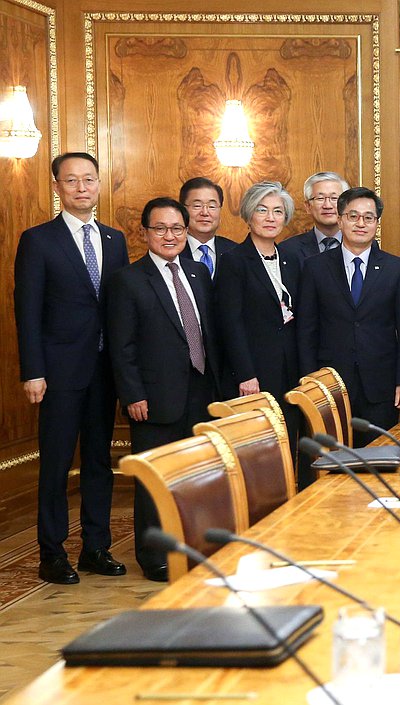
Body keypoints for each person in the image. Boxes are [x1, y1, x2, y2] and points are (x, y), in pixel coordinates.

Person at [14, 152, 129, 585]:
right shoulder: (38, 239)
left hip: (105, 372)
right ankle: (53, 552)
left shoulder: (115, 240)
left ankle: (95, 548)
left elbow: (119, 309)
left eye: (89, 179)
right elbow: (27, 311)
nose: (82, 188)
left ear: (99, 184)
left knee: (100, 462)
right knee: (57, 464)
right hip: (58, 373)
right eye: (72, 181)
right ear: (58, 187)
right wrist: (33, 371)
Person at [107, 197, 221, 581]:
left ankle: (191, 547)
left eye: (177, 229)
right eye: (160, 228)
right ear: (145, 233)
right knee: (155, 479)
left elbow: (207, 334)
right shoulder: (128, 280)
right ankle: (154, 555)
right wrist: (132, 394)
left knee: (195, 477)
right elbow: (121, 346)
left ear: (186, 232)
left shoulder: (197, 273)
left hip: (200, 390)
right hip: (153, 398)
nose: (169, 236)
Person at [299, 187, 400, 445]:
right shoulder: (315, 267)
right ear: (340, 220)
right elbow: (307, 330)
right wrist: (309, 382)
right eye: (353, 216)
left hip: (381, 386)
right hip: (329, 384)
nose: (361, 223)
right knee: (330, 460)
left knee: (378, 459)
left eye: (368, 217)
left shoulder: (396, 268)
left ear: (376, 223)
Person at [214, 182, 305, 480]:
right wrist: (245, 374)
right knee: (257, 450)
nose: (270, 217)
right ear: (249, 215)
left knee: (287, 442)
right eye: (262, 210)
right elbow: (230, 322)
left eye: (277, 211)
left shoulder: (292, 259)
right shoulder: (234, 261)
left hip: (290, 372)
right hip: (253, 373)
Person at [278, 172, 348, 264]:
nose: (327, 205)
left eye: (334, 198)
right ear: (308, 207)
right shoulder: (288, 249)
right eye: (320, 198)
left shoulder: (362, 245)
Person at [177, 176, 237, 279]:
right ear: (183, 210)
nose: (205, 212)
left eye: (212, 206)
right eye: (197, 205)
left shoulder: (235, 251)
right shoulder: (172, 250)